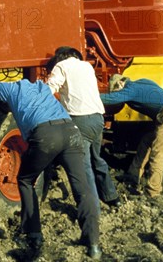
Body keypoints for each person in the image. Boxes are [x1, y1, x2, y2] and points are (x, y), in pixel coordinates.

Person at [0, 77, 102, 259]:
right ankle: (93, 244)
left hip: (46, 135)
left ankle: (34, 236)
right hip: (71, 131)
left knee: (25, 180)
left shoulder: (11, 89)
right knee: (82, 187)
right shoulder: (42, 87)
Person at [46, 46, 120, 209]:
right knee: (97, 159)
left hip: (80, 120)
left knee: (82, 166)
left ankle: (91, 208)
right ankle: (112, 197)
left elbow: (50, 89)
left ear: (60, 57)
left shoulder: (62, 66)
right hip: (98, 118)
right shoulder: (86, 66)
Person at [100, 74, 163, 198]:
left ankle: (153, 192)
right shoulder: (143, 82)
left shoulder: (131, 89)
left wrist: (89, 97)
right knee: (146, 141)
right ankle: (132, 176)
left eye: (115, 89)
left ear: (120, 84)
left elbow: (114, 98)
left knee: (158, 154)